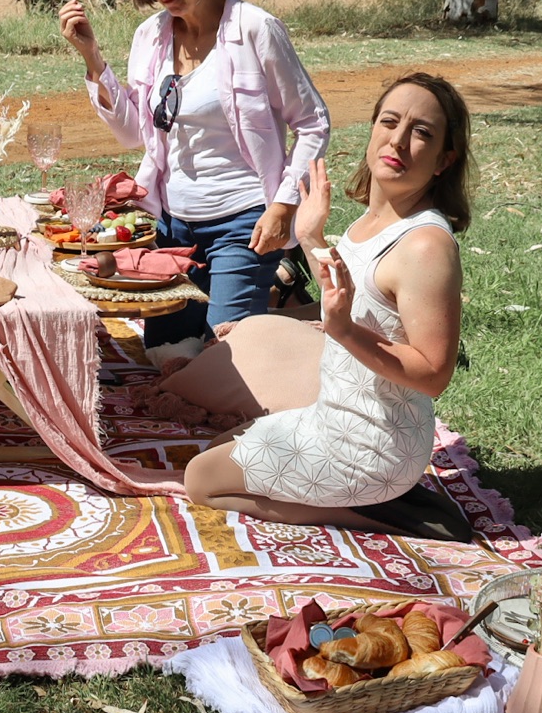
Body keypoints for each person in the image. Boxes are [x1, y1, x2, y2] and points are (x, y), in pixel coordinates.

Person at [182, 72, 472, 532]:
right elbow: (352, 300)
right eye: (389, 122)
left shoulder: (425, 247)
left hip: (375, 444)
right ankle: (386, 499)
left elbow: (435, 374)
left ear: (444, 160)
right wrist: (311, 238)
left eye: (421, 132)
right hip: (336, 415)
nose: (398, 140)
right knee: (220, 447)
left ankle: (392, 517)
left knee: (201, 481)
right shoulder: (371, 222)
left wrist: (344, 331)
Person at [57, 0, 330, 353]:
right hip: (172, 225)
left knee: (226, 354)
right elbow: (135, 133)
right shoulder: (151, 36)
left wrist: (283, 207)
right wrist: (92, 58)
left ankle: (285, 304)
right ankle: (285, 310)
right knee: (168, 356)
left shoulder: (255, 29)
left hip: (244, 221)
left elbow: (313, 121)